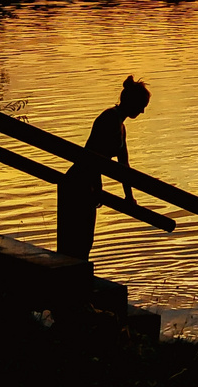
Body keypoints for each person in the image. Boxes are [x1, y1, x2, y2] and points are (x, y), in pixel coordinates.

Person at [59, 75, 150, 263]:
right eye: (141, 106)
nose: (142, 111)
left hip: (88, 185)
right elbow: (94, 157)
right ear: (132, 102)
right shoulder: (109, 119)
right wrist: (97, 186)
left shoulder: (121, 126)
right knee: (75, 242)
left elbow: (124, 165)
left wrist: (128, 197)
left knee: (85, 242)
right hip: (79, 183)